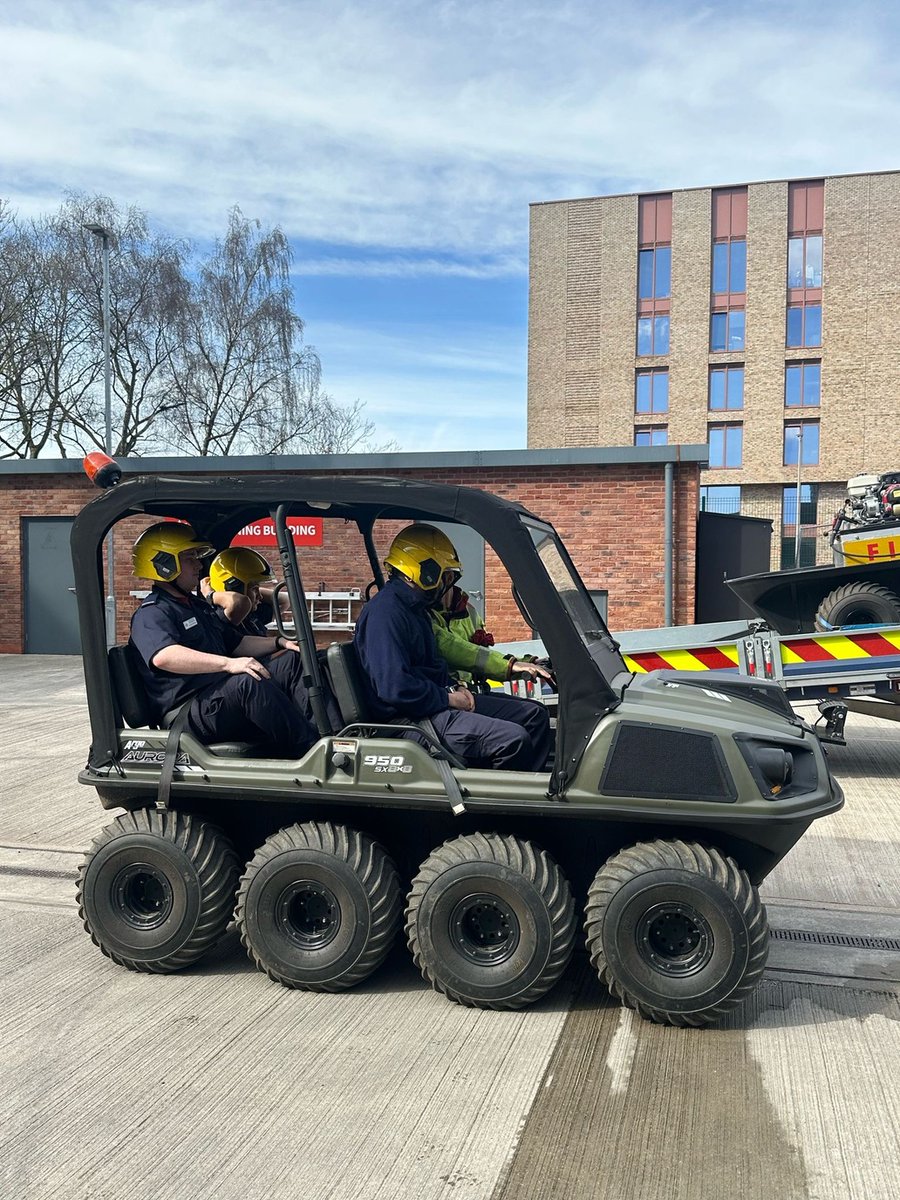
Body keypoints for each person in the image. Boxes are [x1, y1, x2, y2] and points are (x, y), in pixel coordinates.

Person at [354, 524, 552, 771]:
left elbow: (432, 664)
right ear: (423, 571)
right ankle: (494, 807)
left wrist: (455, 686)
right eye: (445, 576)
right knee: (512, 740)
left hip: (435, 702)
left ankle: (532, 799)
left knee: (534, 717)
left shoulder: (416, 610)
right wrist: (450, 699)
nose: (448, 584)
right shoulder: (386, 614)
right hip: (410, 719)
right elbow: (396, 688)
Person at [128, 522, 318, 758]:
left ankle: (329, 737)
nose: (199, 565)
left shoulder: (195, 606)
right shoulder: (152, 613)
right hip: (188, 712)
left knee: (292, 661)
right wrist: (229, 664)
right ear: (164, 565)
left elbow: (235, 643)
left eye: (197, 557)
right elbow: (164, 656)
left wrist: (280, 643)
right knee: (247, 682)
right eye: (190, 558)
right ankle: (309, 752)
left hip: (216, 698)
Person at [409, 525, 553, 690]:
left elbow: (483, 656)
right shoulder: (420, 614)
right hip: (445, 695)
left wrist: (527, 663)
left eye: (447, 575)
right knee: (532, 713)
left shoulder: (469, 612)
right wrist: (510, 665)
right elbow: (454, 649)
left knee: (534, 710)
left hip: (470, 692)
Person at [202, 547, 279, 637]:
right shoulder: (222, 616)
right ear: (233, 588)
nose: (260, 597)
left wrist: (250, 590)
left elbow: (283, 600)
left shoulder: (250, 614)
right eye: (254, 590)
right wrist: (209, 595)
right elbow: (240, 602)